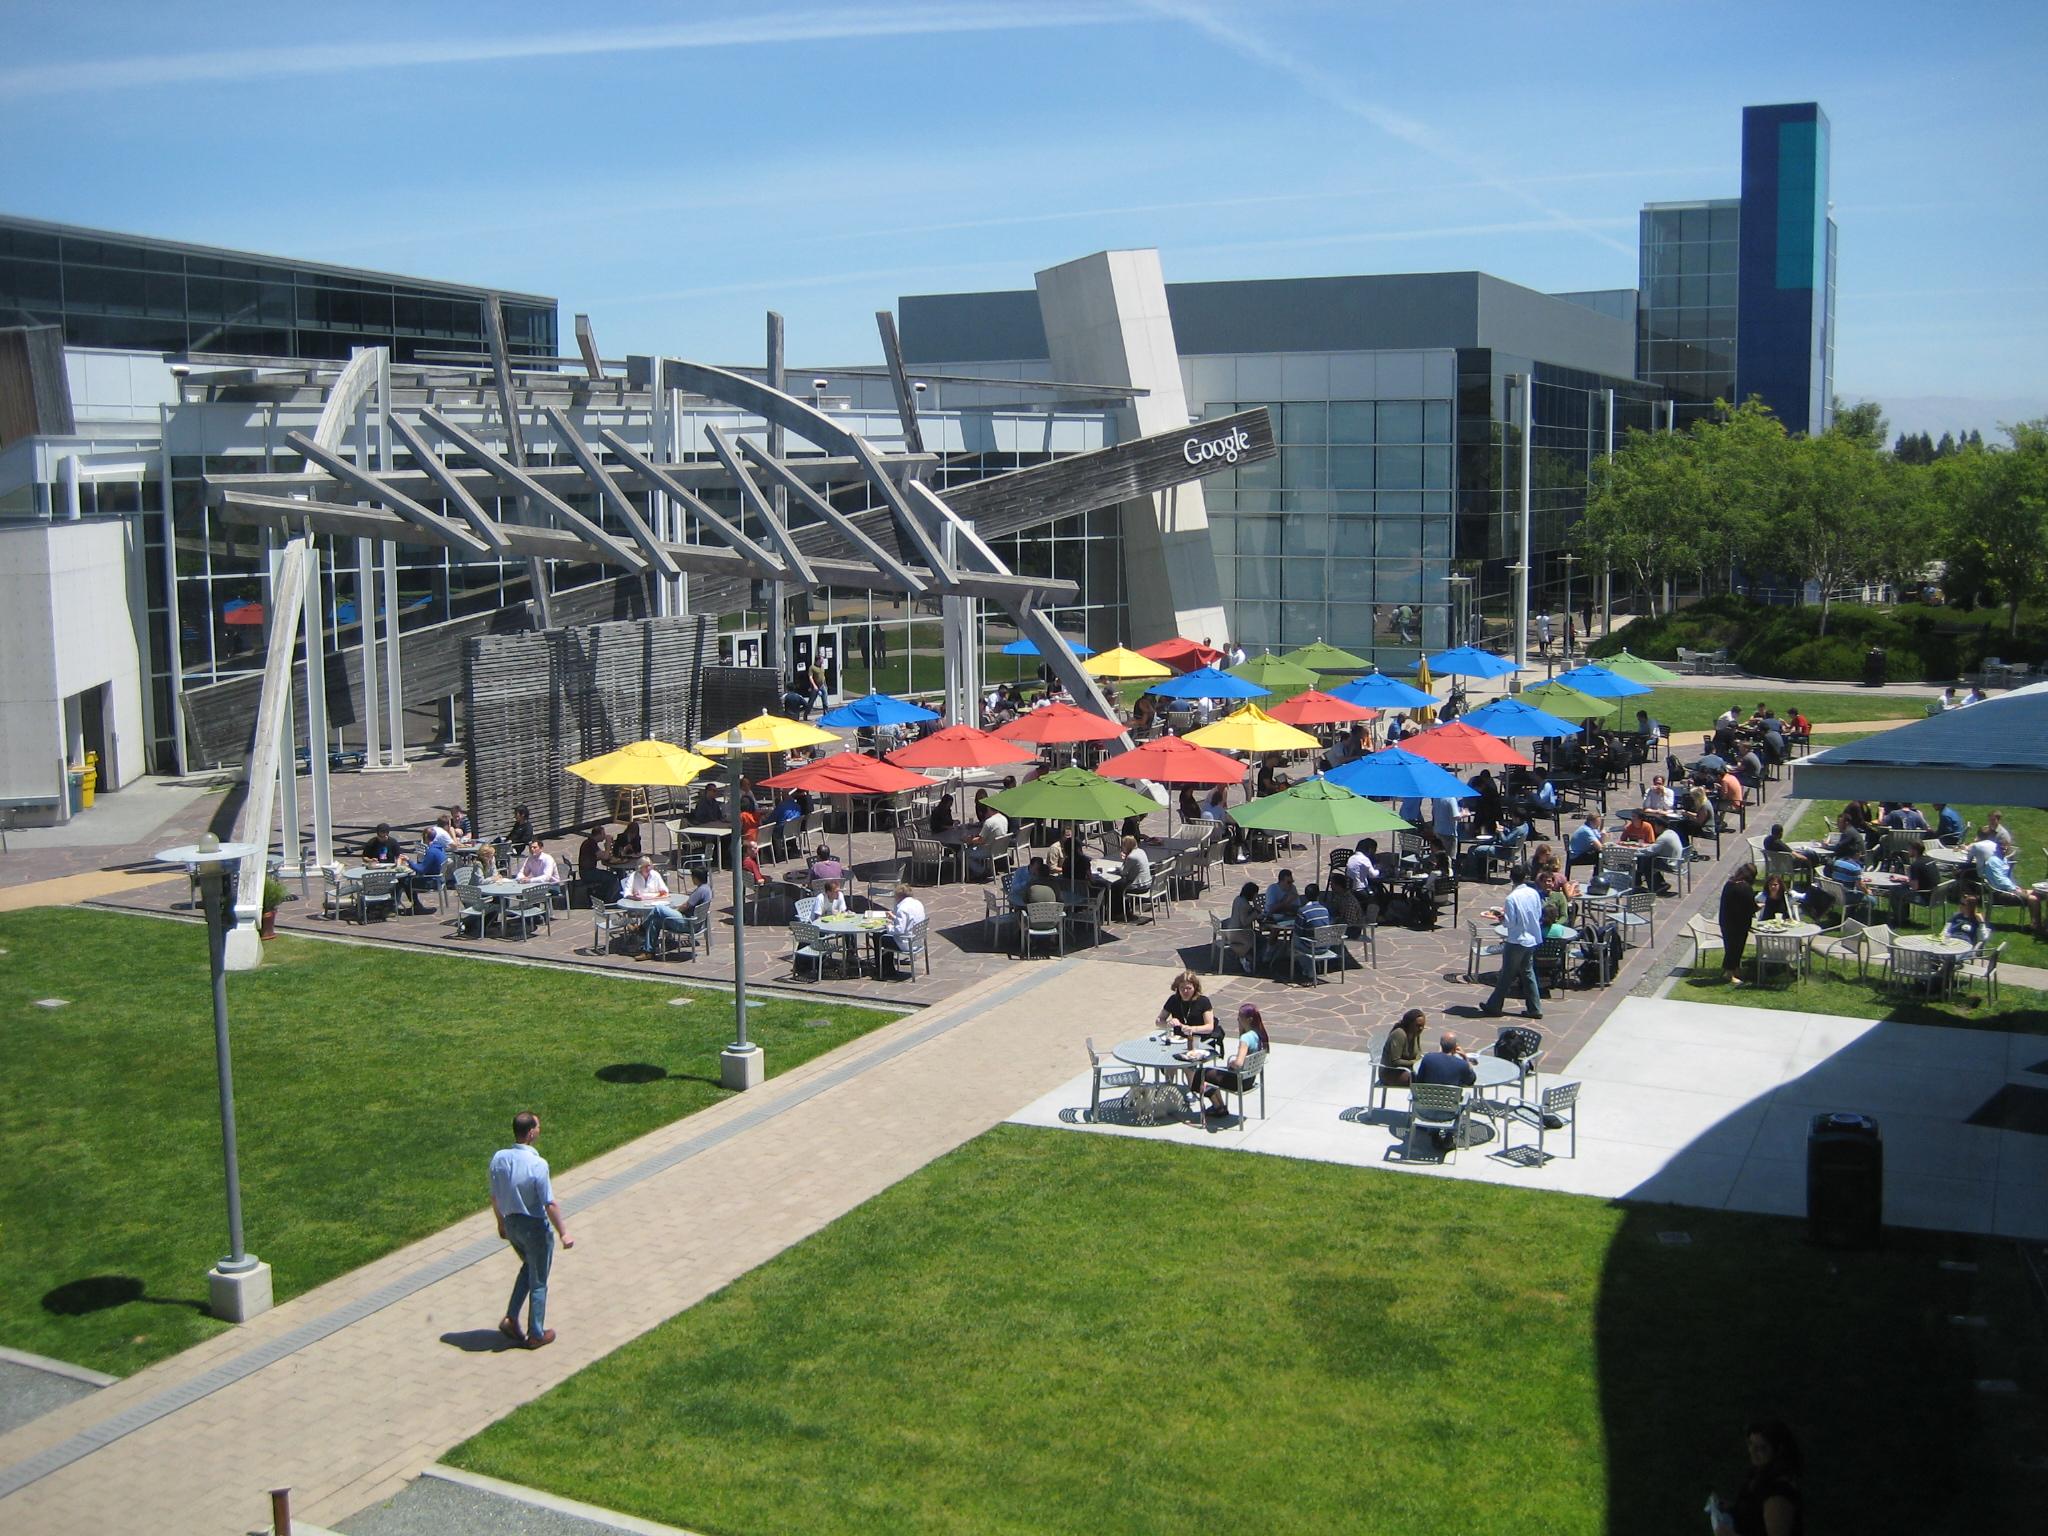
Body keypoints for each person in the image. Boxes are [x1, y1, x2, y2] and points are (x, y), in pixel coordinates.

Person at [488, 1111, 572, 1349]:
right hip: (534, 1227)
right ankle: (536, 1333)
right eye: (538, 1126)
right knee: (539, 1280)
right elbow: (549, 1203)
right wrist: (564, 1232)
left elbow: (494, 1196)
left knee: (528, 1268)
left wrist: (501, 1223)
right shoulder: (538, 1164)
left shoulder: (499, 1158)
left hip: (512, 1223)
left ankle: (511, 1318)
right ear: (531, 1132)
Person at [1709, 1420, 1803, 1536]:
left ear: (1778, 1451)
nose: (1752, 1452)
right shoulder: (1760, 1472)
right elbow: (1755, 1511)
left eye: (1761, 1448)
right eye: (1750, 1444)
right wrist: (1734, 1508)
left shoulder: (1778, 1494)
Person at [1482, 871, 1545, 1020]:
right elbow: (1538, 913)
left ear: (1511, 879)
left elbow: (1510, 922)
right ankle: (1535, 1008)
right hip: (1531, 938)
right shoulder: (1533, 893)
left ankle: (1494, 1006)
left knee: (1506, 975)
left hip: (1517, 940)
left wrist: (1501, 917)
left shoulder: (1511, 898)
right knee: (1528, 973)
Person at [1195, 1003, 1267, 1119]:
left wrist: (1231, 1063)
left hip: (1239, 1081)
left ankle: (1218, 1107)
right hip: (1250, 1079)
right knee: (1211, 1073)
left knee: (1201, 1073)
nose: (1237, 1019)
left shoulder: (1245, 1038)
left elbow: (1239, 1063)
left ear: (1249, 1019)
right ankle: (1219, 1106)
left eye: (1240, 1017)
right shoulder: (1258, 1034)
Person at [1969, 834, 2045, 935]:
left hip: (2008, 889)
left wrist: (2015, 887)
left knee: (2040, 893)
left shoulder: (2002, 858)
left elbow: (2005, 879)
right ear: (1997, 847)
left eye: (2006, 846)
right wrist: (2014, 889)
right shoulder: (1993, 861)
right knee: (2033, 899)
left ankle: (2041, 923)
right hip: (1999, 893)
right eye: (2001, 846)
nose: (2004, 848)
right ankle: (2036, 927)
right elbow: (2000, 881)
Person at [1156, 969, 1219, 1048]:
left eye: (1189, 988)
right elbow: (1159, 1021)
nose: (1185, 991)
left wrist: (1192, 1029)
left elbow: (1209, 1027)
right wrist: (1168, 1024)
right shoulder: (1173, 999)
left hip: (1199, 1040)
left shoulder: (1203, 1001)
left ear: (1195, 988)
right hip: (1178, 1040)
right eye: (1182, 988)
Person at [1718, 863, 1757, 985]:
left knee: (1730, 947)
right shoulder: (1745, 888)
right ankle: (1729, 973)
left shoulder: (1729, 884)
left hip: (1726, 920)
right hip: (1739, 923)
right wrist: (1758, 907)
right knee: (1736, 948)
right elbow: (1751, 907)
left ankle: (1735, 970)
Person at [398, 827, 449, 914]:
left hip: (431, 882)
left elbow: (421, 869)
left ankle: (416, 905)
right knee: (409, 878)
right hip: (439, 879)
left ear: (425, 837)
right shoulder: (440, 848)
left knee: (405, 880)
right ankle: (414, 905)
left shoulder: (431, 852)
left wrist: (409, 861)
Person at [1379, 1007, 1427, 1089]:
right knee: (1423, 1080)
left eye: (1422, 1026)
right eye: (1418, 1026)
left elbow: (1418, 1052)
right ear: (1409, 1024)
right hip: (1391, 1073)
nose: (1421, 1028)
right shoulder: (1399, 1034)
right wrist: (1414, 1062)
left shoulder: (1416, 1033)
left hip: (1406, 1069)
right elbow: (1395, 1061)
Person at [882, 882, 927, 964]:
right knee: (884, 935)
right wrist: (894, 918)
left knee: (879, 937)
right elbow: (909, 920)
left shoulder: (902, 909)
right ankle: (885, 967)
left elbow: (899, 930)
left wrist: (888, 926)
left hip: (907, 943)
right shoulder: (917, 903)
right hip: (918, 941)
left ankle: (886, 968)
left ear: (899, 896)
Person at [1226, 880, 1260, 973]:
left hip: (1230, 930)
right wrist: (1256, 912)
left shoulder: (1238, 899)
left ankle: (1245, 956)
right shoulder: (1244, 904)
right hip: (1238, 933)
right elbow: (1244, 922)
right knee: (1257, 937)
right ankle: (1246, 957)